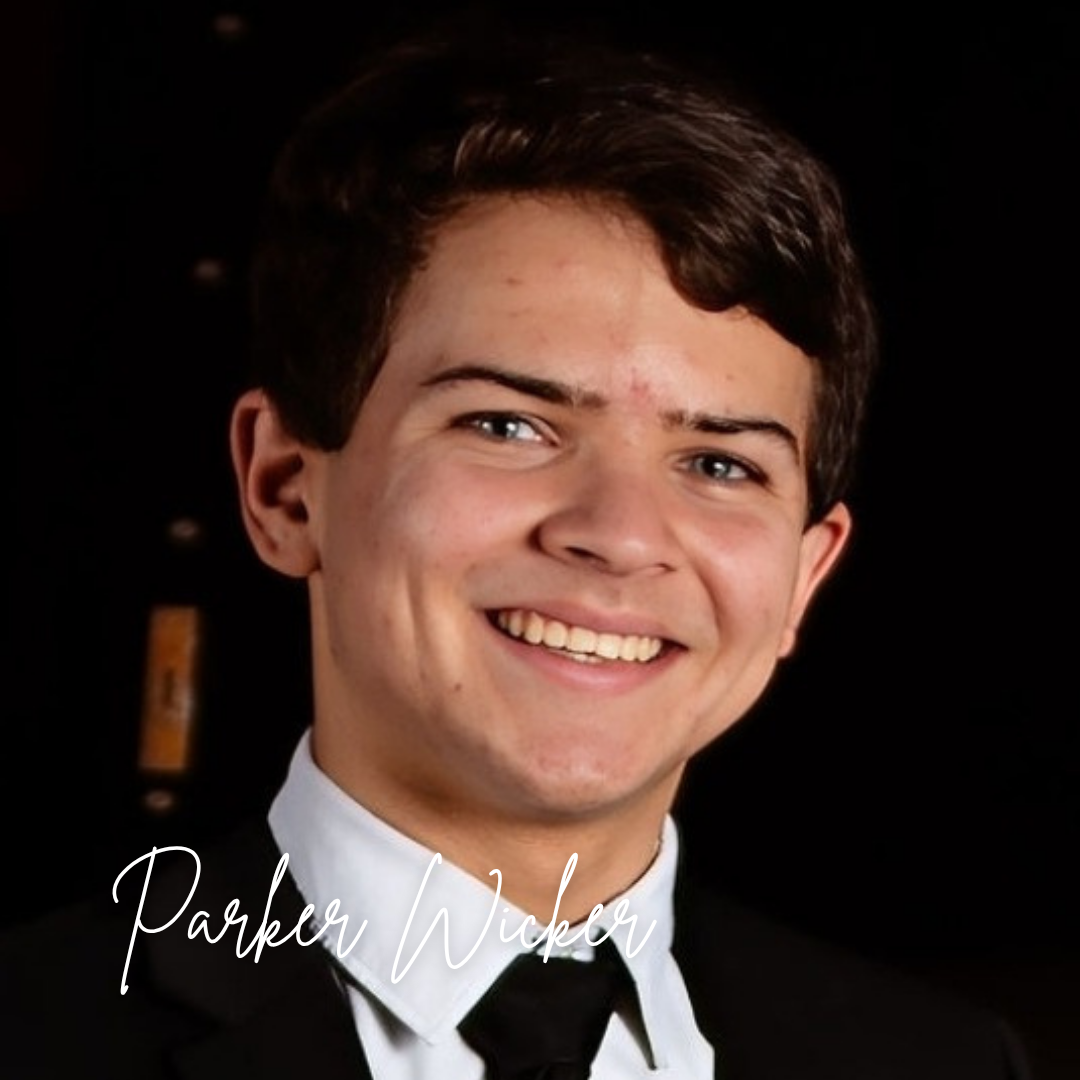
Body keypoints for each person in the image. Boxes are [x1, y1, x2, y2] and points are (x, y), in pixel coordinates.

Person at [2, 27, 1030, 1080]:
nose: (620, 535)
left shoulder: (946, 1064)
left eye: (720, 464)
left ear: (806, 577)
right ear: (285, 490)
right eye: (506, 425)